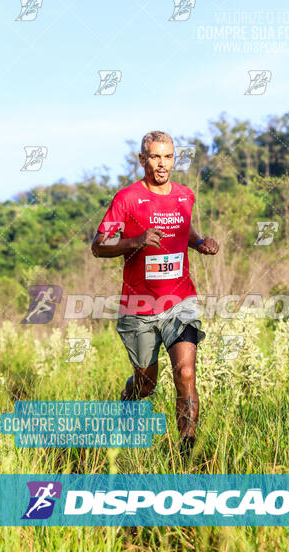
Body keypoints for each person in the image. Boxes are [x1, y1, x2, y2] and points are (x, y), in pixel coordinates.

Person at [91, 130, 219, 458]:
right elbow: (98, 246)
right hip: (139, 307)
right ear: (142, 159)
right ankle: (127, 400)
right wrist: (135, 242)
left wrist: (199, 242)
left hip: (180, 302)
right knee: (146, 385)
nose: (162, 164)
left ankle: (188, 454)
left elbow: (182, 228)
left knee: (185, 373)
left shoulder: (185, 196)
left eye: (168, 157)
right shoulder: (127, 198)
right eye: (155, 157)